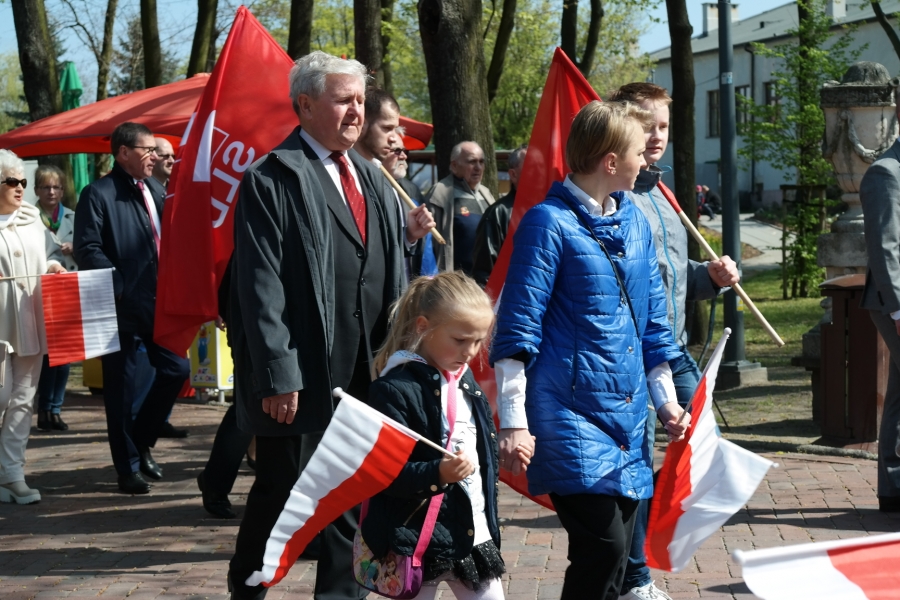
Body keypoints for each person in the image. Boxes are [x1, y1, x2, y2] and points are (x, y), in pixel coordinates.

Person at [227, 50, 435, 600]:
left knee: (354, 498)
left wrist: (402, 359)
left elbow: (385, 275)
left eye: (361, 100)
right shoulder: (272, 178)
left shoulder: (372, 177)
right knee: (279, 498)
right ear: (305, 104)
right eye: (344, 100)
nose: (356, 111)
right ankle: (246, 591)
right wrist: (278, 374)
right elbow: (260, 285)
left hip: (367, 373)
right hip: (302, 378)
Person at [489, 101, 690, 600]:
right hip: (567, 414)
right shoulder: (547, 223)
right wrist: (513, 421)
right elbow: (517, 326)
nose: (645, 161)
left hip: (628, 419)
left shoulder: (636, 222)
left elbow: (653, 325)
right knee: (603, 547)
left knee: (616, 560)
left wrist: (666, 402)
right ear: (610, 161)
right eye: (638, 152)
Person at [608, 83, 740, 600]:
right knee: (638, 462)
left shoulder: (664, 195)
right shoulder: (614, 197)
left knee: (703, 443)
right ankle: (633, 577)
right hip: (633, 356)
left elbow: (673, 276)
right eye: (647, 125)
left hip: (674, 347)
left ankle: (647, 537)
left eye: (663, 125)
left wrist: (709, 275)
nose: (657, 135)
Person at [366, 272, 522, 599]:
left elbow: (479, 453)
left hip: (471, 531)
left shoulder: (465, 382)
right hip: (415, 538)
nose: (470, 351)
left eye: (478, 341)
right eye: (460, 340)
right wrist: (438, 473)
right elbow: (384, 473)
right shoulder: (393, 390)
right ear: (423, 326)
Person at [74, 122, 191, 495]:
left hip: (159, 303)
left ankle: (141, 442)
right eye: (148, 150)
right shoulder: (98, 194)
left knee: (177, 369)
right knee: (120, 391)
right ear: (123, 152)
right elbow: (87, 248)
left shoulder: (156, 189)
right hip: (119, 308)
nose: (155, 156)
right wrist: (120, 285)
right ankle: (127, 468)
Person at [0, 149, 66, 504]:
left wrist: (54, 266)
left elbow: (51, 253)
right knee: (1, 396)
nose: (20, 187)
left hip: (29, 320)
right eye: (12, 181)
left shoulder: (32, 219)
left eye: (23, 181)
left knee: (24, 400)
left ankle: (11, 475)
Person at [859, 132, 900, 513]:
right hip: (894, 302)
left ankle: (893, 485)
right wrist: (899, 310)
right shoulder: (886, 172)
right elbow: (884, 247)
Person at [32, 165, 77, 432]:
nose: (51, 192)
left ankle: (56, 410)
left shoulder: (73, 216)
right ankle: (43, 409)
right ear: (36, 190)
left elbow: (91, 245)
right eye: (46, 187)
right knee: (48, 356)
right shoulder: (29, 218)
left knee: (66, 354)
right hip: (41, 291)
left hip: (68, 289)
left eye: (56, 187)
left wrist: (76, 248)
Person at [426, 141, 495, 274]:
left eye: (481, 162)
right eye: (472, 161)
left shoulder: (486, 194)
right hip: (457, 281)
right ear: (454, 165)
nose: (478, 167)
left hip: (487, 280)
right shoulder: (440, 194)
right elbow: (429, 244)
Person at [471, 144, 527, 286]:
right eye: (530, 166)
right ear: (513, 175)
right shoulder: (497, 214)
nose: (539, 171)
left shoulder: (553, 210)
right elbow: (484, 275)